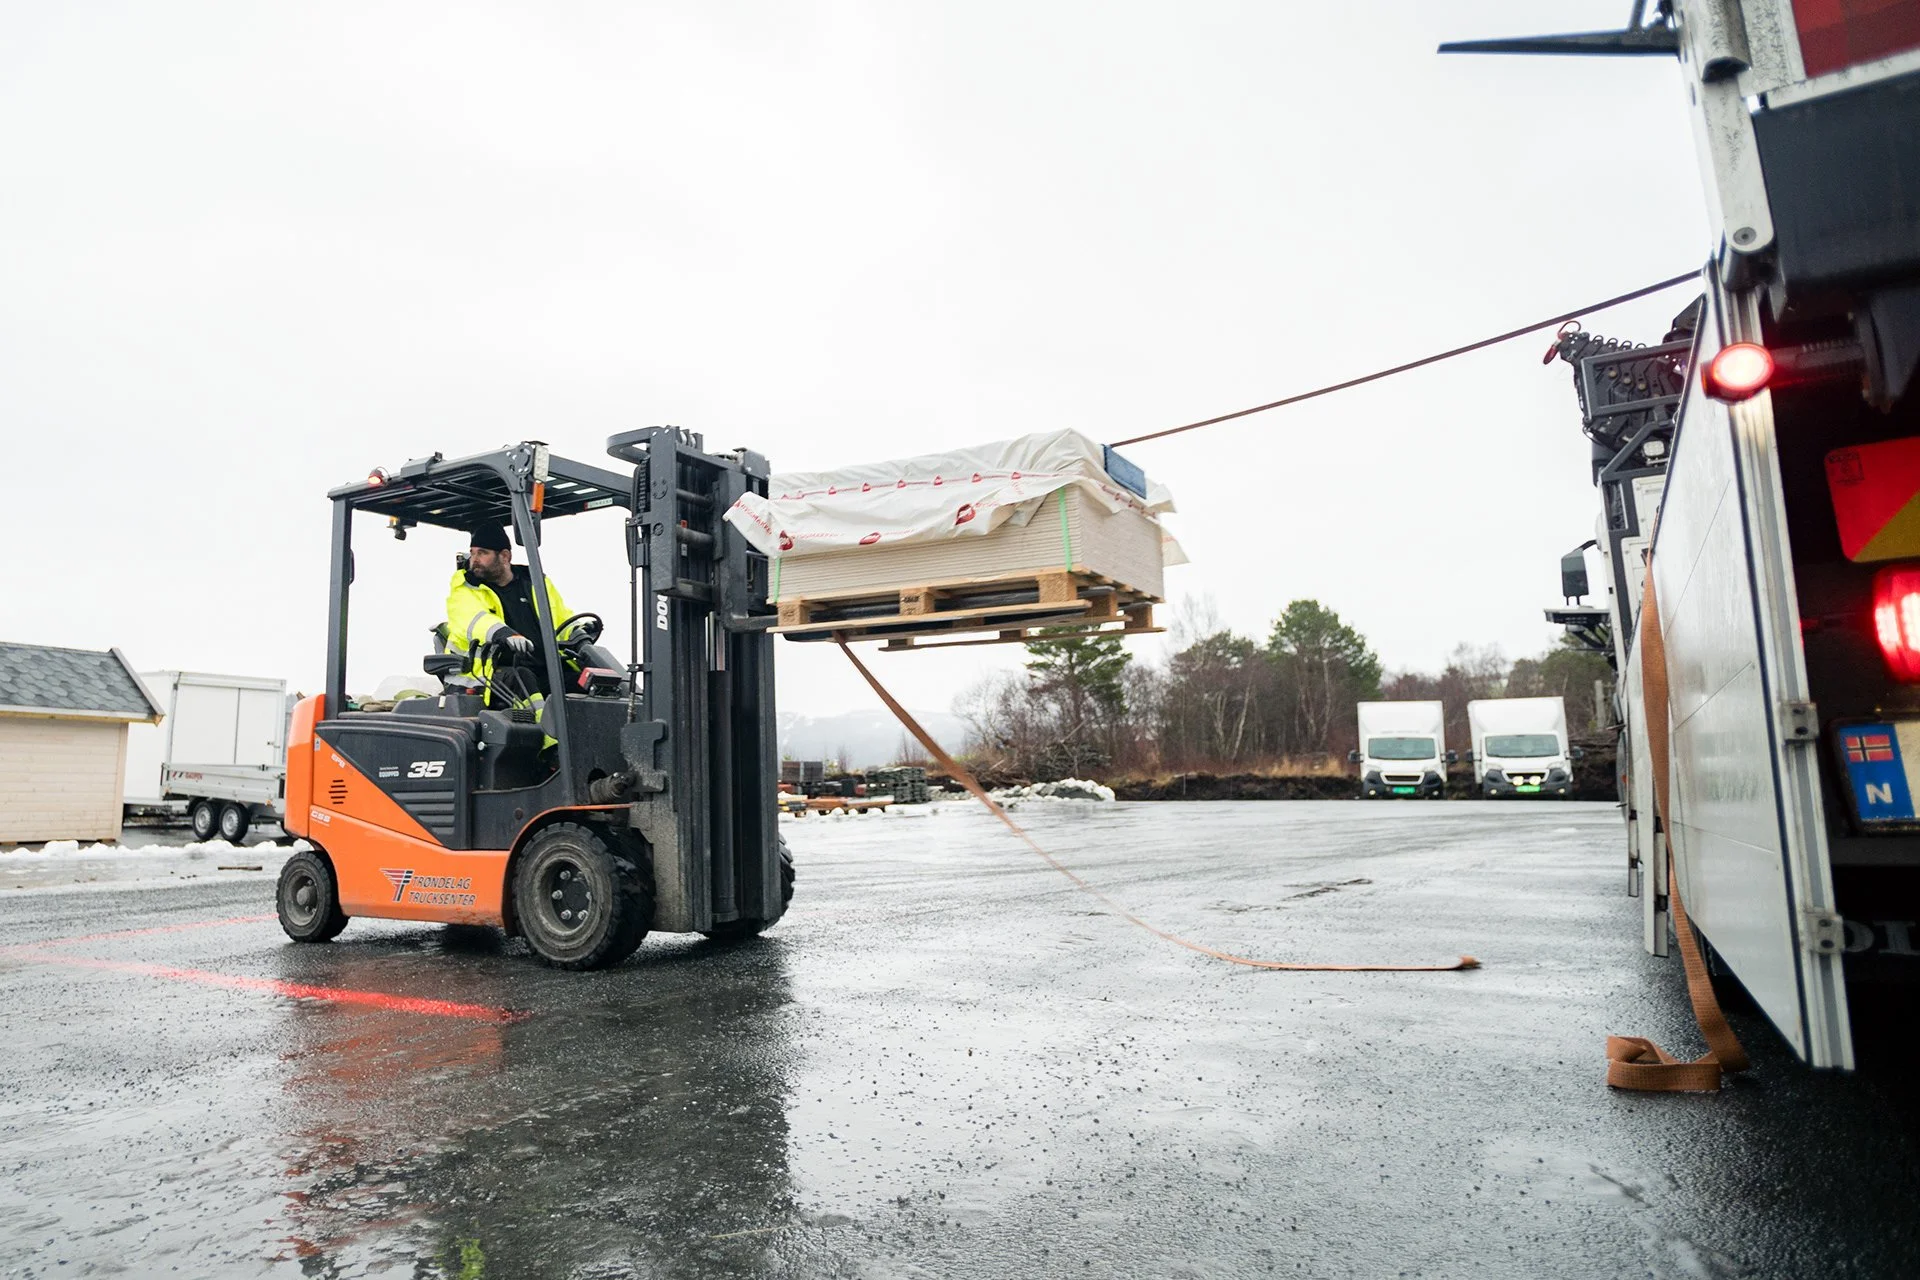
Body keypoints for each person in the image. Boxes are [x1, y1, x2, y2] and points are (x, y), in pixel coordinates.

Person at [446, 525, 595, 706]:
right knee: (523, 678)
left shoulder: (535, 583)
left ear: (505, 556)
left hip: (543, 670)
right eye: (473, 552)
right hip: (489, 674)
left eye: (482, 553)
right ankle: (548, 732)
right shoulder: (466, 586)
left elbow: (560, 618)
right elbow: (472, 617)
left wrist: (580, 632)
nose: (474, 560)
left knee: (589, 682)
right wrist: (504, 633)